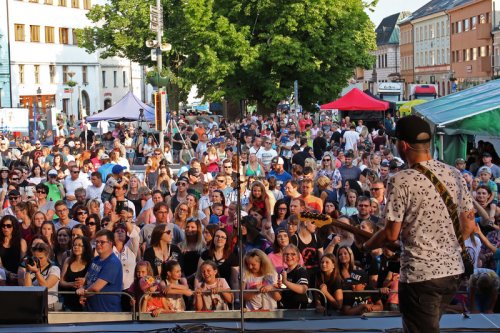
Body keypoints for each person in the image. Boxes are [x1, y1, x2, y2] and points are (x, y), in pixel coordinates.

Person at [360, 115, 475, 333]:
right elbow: (468, 227)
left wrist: (366, 246)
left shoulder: (401, 180)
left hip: (420, 278)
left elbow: (391, 234)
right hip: (452, 273)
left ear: (403, 145)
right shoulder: (455, 174)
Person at [77, 229, 124, 312]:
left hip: (107, 312)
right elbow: (86, 280)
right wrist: (82, 288)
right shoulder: (95, 260)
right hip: (91, 309)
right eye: (97, 242)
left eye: (102, 242)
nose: (98, 245)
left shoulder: (113, 263)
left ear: (110, 243)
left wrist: (84, 293)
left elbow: (96, 288)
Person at [22, 242, 61, 310]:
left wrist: (37, 272)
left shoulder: (54, 269)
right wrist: (28, 271)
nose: (38, 261)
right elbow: (27, 289)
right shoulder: (31, 269)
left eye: (41, 258)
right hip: (34, 306)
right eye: (35, 258)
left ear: (47, 256)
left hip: (51, 306)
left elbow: (46, 286)